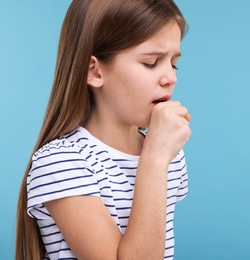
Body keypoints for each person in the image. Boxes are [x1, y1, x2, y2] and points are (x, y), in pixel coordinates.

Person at [15, 0, 191, 259]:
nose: (170, 77)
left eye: (173, 63)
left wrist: (159, 155)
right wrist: (154, 160)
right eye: (151, 63)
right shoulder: (61, 162)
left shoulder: (169, 156)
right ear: (94, 71)